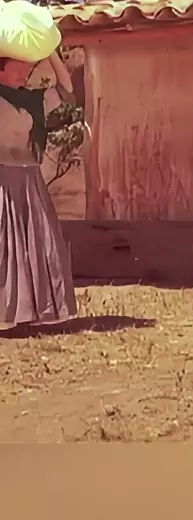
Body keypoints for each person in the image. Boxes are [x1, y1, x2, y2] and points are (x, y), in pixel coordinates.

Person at [0, 50, 78, 329]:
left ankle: (28, 313)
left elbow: (67, 90)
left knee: (35, 244)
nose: (24, 75)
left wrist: (51, 53)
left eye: (26, 69)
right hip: (1, 178)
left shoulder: (33, 100)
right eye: (17, 69)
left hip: (29, 179)